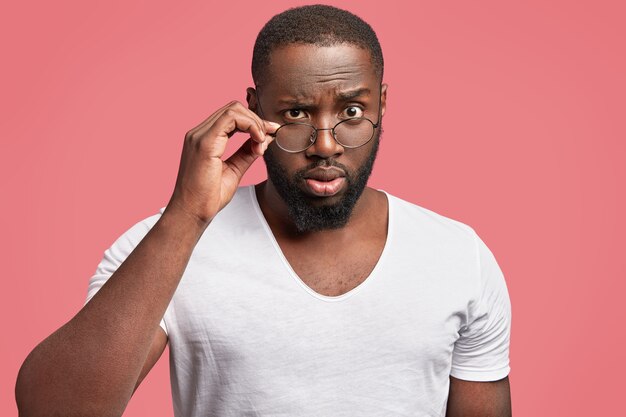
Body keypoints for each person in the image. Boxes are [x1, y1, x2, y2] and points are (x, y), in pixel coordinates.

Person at [16, 5, 512, 417]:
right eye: (295, 112)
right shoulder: (169, 246)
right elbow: (51, 410)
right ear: (255, 110)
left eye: (352, 112)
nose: (324, 145)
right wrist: (187, 214)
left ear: (382, 104)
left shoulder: (457, 255)